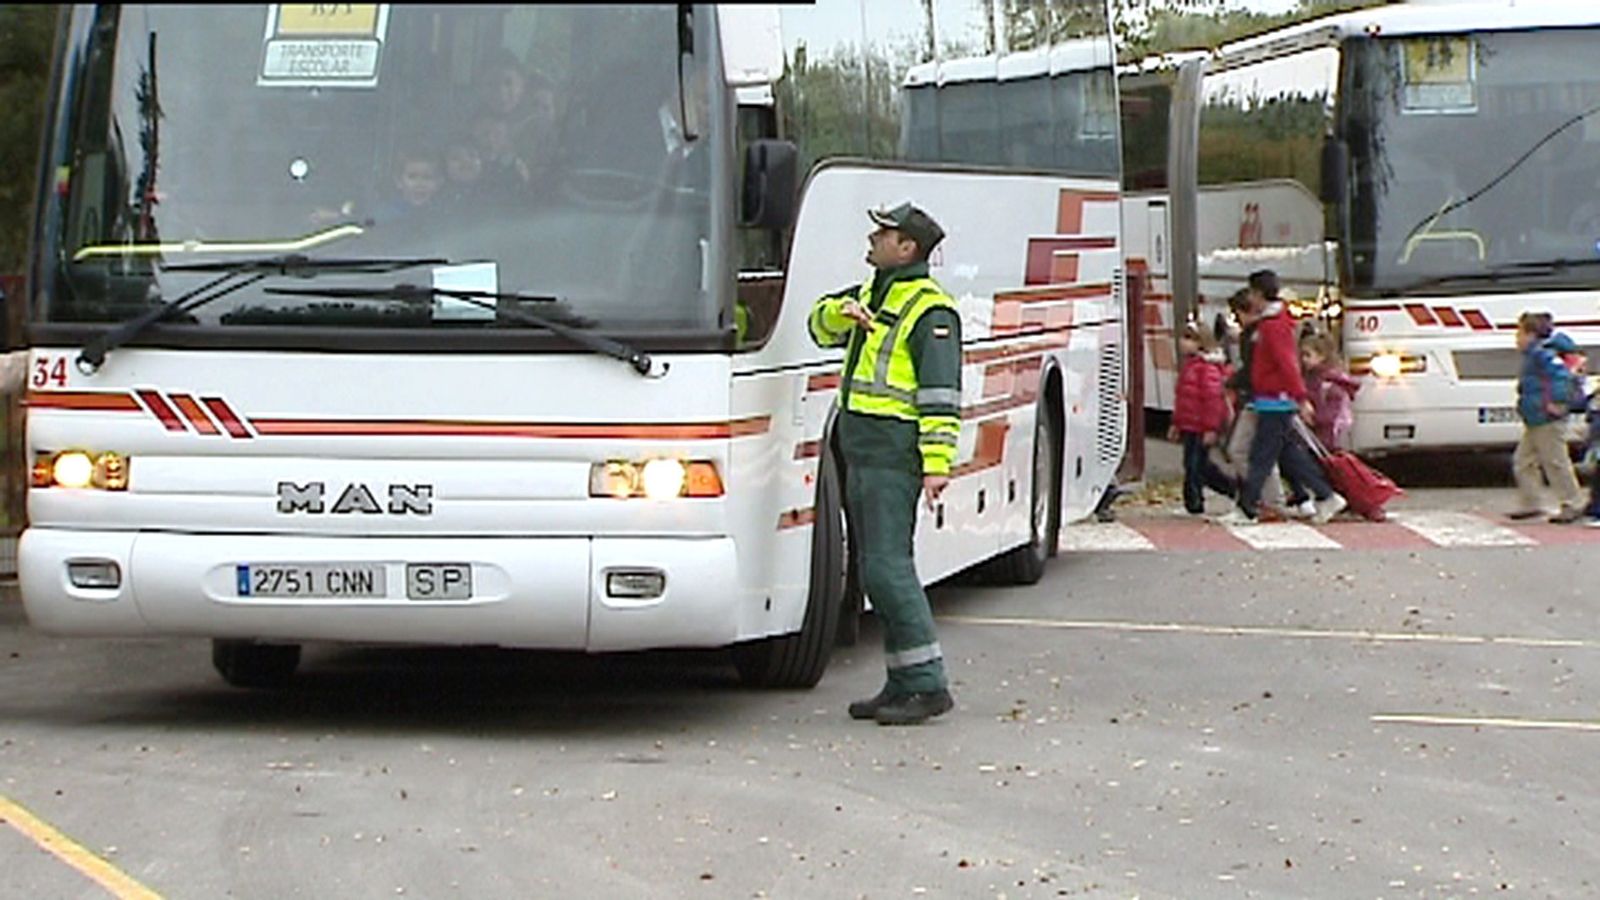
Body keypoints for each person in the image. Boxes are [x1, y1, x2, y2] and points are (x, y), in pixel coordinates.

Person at [809, 201, 960, 726]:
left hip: (893, 449)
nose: (873, 237)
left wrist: (937, 463)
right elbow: (818, 323)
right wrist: (838, 315)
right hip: (862, 445)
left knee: (888, 569)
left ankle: (926, 682)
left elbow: (942, 395)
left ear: (907, 248)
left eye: (885, 232)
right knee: (876, 568)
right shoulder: (872, 293)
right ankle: (901, 681)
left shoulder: (930, 309)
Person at [1218, 269, 1347, 526]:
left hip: (1274, 399)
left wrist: (1299, 397)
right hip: (1275, 398)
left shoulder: (1273, 326)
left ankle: (1248, 508)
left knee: (1263, 456)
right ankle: (1325, 494)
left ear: (1258, 294)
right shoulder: (1275, 322)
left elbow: (1286, 364)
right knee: (1287, 455)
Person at [1219, 286, 1291, 518]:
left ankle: (1263, 499)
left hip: (1260, 399)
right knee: (1262, 452)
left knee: (1247, 450)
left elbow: (1255, 369)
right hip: (1263, 398)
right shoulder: (1260, 330)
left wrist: (1231, 382)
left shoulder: (1255, 334)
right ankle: (1269, 499)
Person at [1508, 311, 1585, 523]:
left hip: (1546, 416)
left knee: (1555, 461)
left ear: (1531, 334)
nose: (1517, 339)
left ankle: (1572, 502)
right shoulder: (1535, 355)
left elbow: (1561, 378)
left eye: (1520, 333)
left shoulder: (1544, 355)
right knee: (1524, 461)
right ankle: (1531, 502)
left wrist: (1557, 404)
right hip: (1536, 416)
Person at [1169, 321, 1237, 515]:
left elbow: (1212, 400)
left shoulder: (1206, 368)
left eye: (1189, 338)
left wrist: (1211, 427)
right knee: (1194, 465)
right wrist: (1176, 423)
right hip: (1190, 424)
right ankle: (1194, 501)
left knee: (1196, 466)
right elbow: (1183, 399)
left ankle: (1199, 501)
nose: (1183, 342)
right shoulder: (1192, 366)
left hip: (1201, 426)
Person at [1300, 329, 1360, 451]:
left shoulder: (1330, 384)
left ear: (1321, 356)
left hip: (1330, 434)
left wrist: (1314, 418)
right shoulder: (1311, 378)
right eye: (1302, 355)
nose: (1303, 359)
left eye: (1308, 355)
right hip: (1319, 432)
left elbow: (1333, 412)